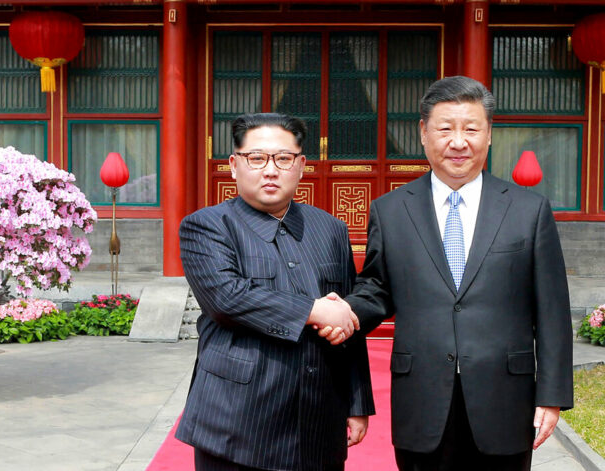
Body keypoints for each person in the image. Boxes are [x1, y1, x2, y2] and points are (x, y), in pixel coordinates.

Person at [328, 76, 573, 470]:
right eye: (445, 129)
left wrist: (552, 394)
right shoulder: (391, 211)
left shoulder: (529, 210)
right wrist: (346, 311)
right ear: (424, 133)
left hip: (505, 396)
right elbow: (377, 287)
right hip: (422, 395)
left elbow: (553, 311)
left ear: (489, 135)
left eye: (471, 129)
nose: (458, 142)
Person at [175, 112, 375, 471]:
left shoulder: (330, 229)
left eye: (283, 159)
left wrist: (357, 403)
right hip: (236, 422)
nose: (270, 170)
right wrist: (314, 311)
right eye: (257, 158)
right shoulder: (206, 226)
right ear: (234, 165)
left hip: (318, 419)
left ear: (301, 166)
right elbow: (227, 297)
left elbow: (347, 321)